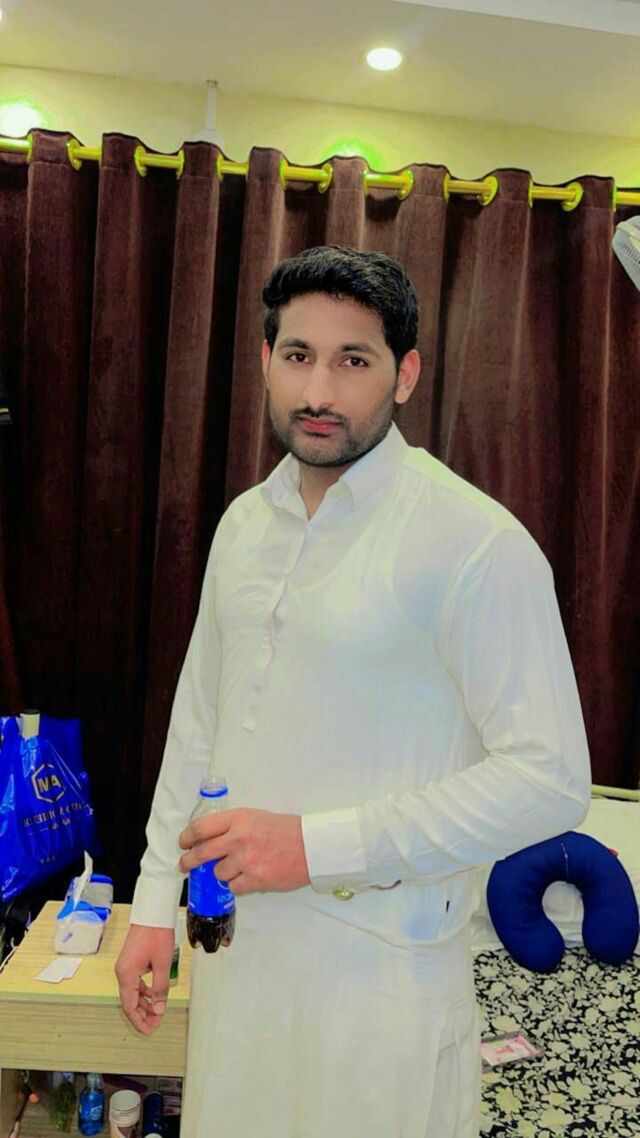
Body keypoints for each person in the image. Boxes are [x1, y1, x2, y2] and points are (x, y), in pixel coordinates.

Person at [115, 245, 591, 1138]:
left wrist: (315, 847)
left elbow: (550, 778)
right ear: (265, 360)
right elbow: (199, 724)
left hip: (382, 981)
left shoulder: (476, 543)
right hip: (239, 958)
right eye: (298, 356)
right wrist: (150, 905)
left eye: (354, 361)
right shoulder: (243, 525)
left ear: (405, 375)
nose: (319, 392)